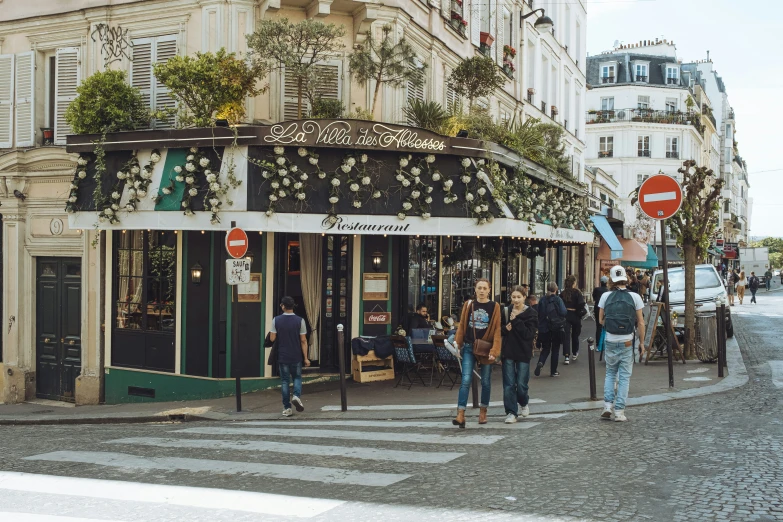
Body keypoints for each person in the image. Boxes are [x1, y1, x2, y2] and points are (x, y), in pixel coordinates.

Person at [452, 278, 502, 428]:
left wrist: (495, 351)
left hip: (486, 348)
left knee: (485, 381)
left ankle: (483, 411)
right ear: (475, 289)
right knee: (466, 379)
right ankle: (460, 414)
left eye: (484, 288)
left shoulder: (495, 306)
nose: (481, 291)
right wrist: (457, 342)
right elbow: (462, 325)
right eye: (479, 288)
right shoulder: (469, 305)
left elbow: (497, 330)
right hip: (468, 346)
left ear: (489, 290)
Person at [598, 266, 646, 422]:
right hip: (626, 340)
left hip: (610, 339)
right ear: (626, 278)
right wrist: (642, 343)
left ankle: (607, 406)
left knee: (610, 373)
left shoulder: (605, 296)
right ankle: (619, 411)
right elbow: (641, 323)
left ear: (611, 280)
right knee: (624, 376)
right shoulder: (635, 297)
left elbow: (600, 320)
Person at [501, 288, 538, 424]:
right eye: (513, 297)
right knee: (509, 384)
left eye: (518, 297)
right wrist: (505, 329)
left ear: (524, 297)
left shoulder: (531, 313)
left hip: (523, 351)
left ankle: (523, 402)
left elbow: (529, 334)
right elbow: (499, 329)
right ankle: (511, 412)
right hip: (508, 351)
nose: (515, 300)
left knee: (522, 384)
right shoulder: (506, 311)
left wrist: (516, 321)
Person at [269, 296, 310, 417]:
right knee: (297, 377)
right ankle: (296, 396)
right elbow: (303, 341)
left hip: (283, 355)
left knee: (285, 381)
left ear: (283, 306)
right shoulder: (300, 320)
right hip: (296, 355)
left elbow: (272, 338)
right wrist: (306, 358)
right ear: (293, 306)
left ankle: (287, 408)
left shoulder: (276, 320)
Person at [533, 282, 567, 377]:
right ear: (556, 289)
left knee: (546, 348)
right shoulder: (558, 300)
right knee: (555, 349)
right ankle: (553, 371)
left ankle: (541, 362)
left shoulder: (542, 300)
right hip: (556, 328)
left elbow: (538, 313)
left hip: (544, 328)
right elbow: (564, 312)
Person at [560, 275, 585, 365]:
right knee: (575, 335)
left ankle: (566, 356)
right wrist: (579, 311)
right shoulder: (577, 293)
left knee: (566, 336)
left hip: (566, 315)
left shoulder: (563, 293)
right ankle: (575, 353)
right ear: (574, 283)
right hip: (575, 315)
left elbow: (560, 304)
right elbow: (581, 304)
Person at [593, 276, 609, 345]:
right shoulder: (608, 291)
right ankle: (605, 343)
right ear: (606, 283)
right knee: (607, 326)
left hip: (597, 308)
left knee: (598, 326)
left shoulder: (596, 289)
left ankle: (598, 343)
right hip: (606, 309)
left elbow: (594, 297)